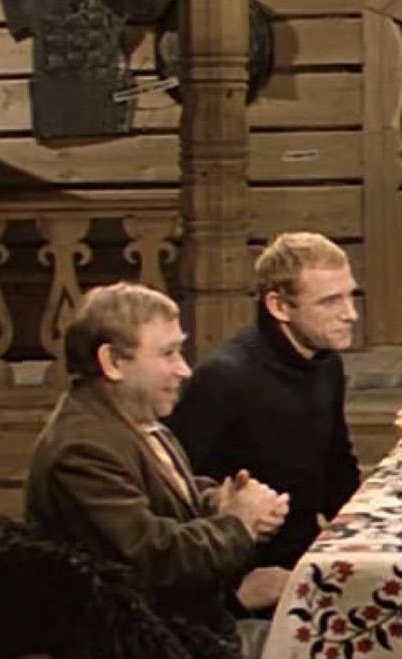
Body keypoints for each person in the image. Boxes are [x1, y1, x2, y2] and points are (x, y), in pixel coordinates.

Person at [24, 282, 291, 659]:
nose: (184, 369)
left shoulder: (135, 420)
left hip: (192, 624)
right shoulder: (81, 450)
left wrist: (217, 500)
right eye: (168, 353)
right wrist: (239, 524)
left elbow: (166, 495)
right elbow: (154, 558)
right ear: (112, 362)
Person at [168, 231, 362, 570]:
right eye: (331, 301)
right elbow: (175, 494)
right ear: (279, 306)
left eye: (350, 296)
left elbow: (337, 469)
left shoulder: (326, 363)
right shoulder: (224, 377)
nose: (351, 314)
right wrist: (240, 584)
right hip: (240, 568)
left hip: (303, 557)